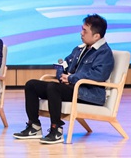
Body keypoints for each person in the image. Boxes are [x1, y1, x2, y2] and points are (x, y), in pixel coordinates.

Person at [13, 14, 114, 145]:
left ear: (96, 36)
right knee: (31, 84)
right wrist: (63, 75)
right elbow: (64, 64)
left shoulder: (104, 53)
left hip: (88, 93)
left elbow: (99, 75)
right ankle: (34, 126)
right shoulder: (79, 49)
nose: (81, 33)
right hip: (72, 87)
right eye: (82, 29)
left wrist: (71, 78)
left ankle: (56, 130)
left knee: (53, 87)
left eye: (85, 31)